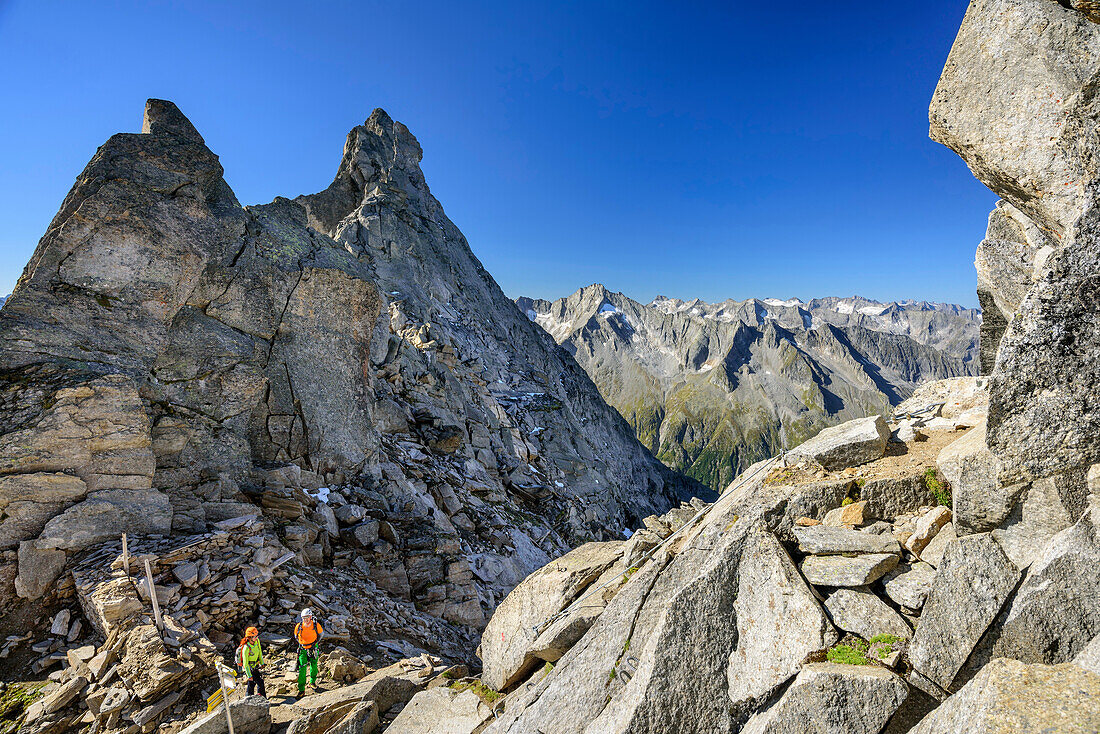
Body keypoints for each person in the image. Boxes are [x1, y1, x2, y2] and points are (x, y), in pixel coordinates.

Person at [294, 608, 324, 696]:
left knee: (314, 665)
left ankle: (312, 681)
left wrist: (314, 643)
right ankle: (301, 689)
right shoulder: (299, 626)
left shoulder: (316, 625)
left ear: (311, 617)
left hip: (313, 647)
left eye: (307, 617)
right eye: (303, 618)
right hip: (303, 649)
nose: (305, 619)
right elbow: (296, 636)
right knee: (302, 668)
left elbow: (321, 635)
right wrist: (303, 643)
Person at [236, 626, 266, 698]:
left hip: (255, 666)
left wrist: (262, 663)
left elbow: (259, 653)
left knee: (252, 684)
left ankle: (249, 697)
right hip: (249, 668)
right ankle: (262, 697)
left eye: (256, 636)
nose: (256, 637)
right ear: (249, 637)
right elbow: (245, 663)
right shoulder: (246, 648)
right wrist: (249, 675)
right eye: (254, 636)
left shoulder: (257, 642)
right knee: (260, 682)